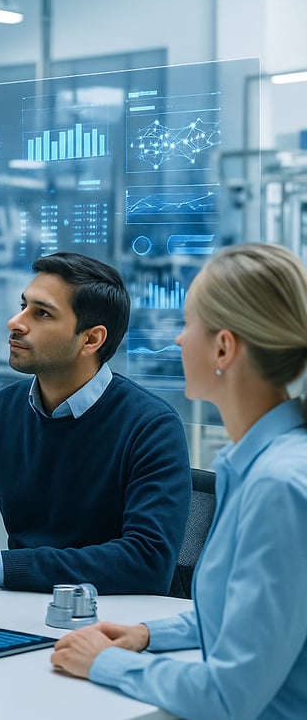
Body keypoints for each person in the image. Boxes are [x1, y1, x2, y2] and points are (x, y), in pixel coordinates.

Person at [51, 242, 307, 719]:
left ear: (224, 348)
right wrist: (147, 635)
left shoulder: (278, 486)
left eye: (189, 325)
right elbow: (251, 620)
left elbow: (228, 697)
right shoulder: (254, 466)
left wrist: (106, 664)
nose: (178, 341)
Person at [0, 251, 191, 594]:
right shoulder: (0, 413)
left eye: (42, 313)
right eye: (23, 306)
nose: (15, 322)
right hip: (24, 610)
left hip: (112, 625)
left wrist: (0, 567)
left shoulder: (151, 426)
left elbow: (147, 561)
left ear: (91, 339)